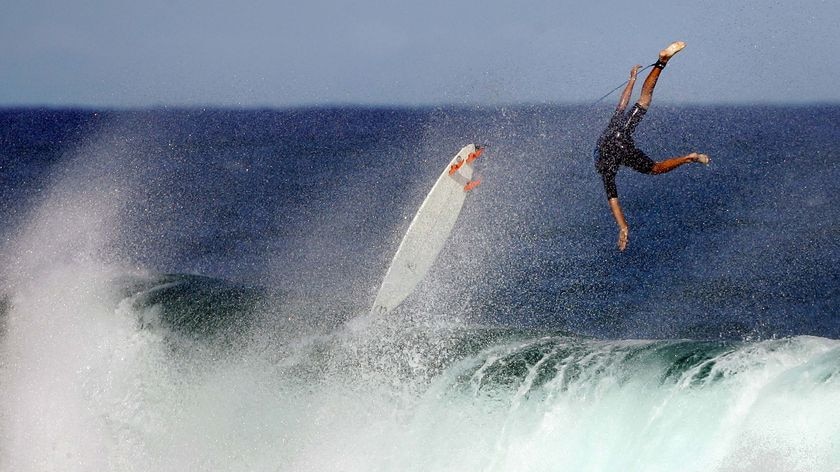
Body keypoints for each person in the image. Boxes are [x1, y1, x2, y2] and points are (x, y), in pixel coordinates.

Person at [595, 41, 710, 251]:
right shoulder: (605, 134)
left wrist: (623, 228)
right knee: (644, 99)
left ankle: (689, 158)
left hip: (621, 147)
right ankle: (661, 62)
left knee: (655, 169)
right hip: (619, 132)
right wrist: (632, 80)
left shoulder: (606, 170)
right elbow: (622, 103)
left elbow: (613, 201)